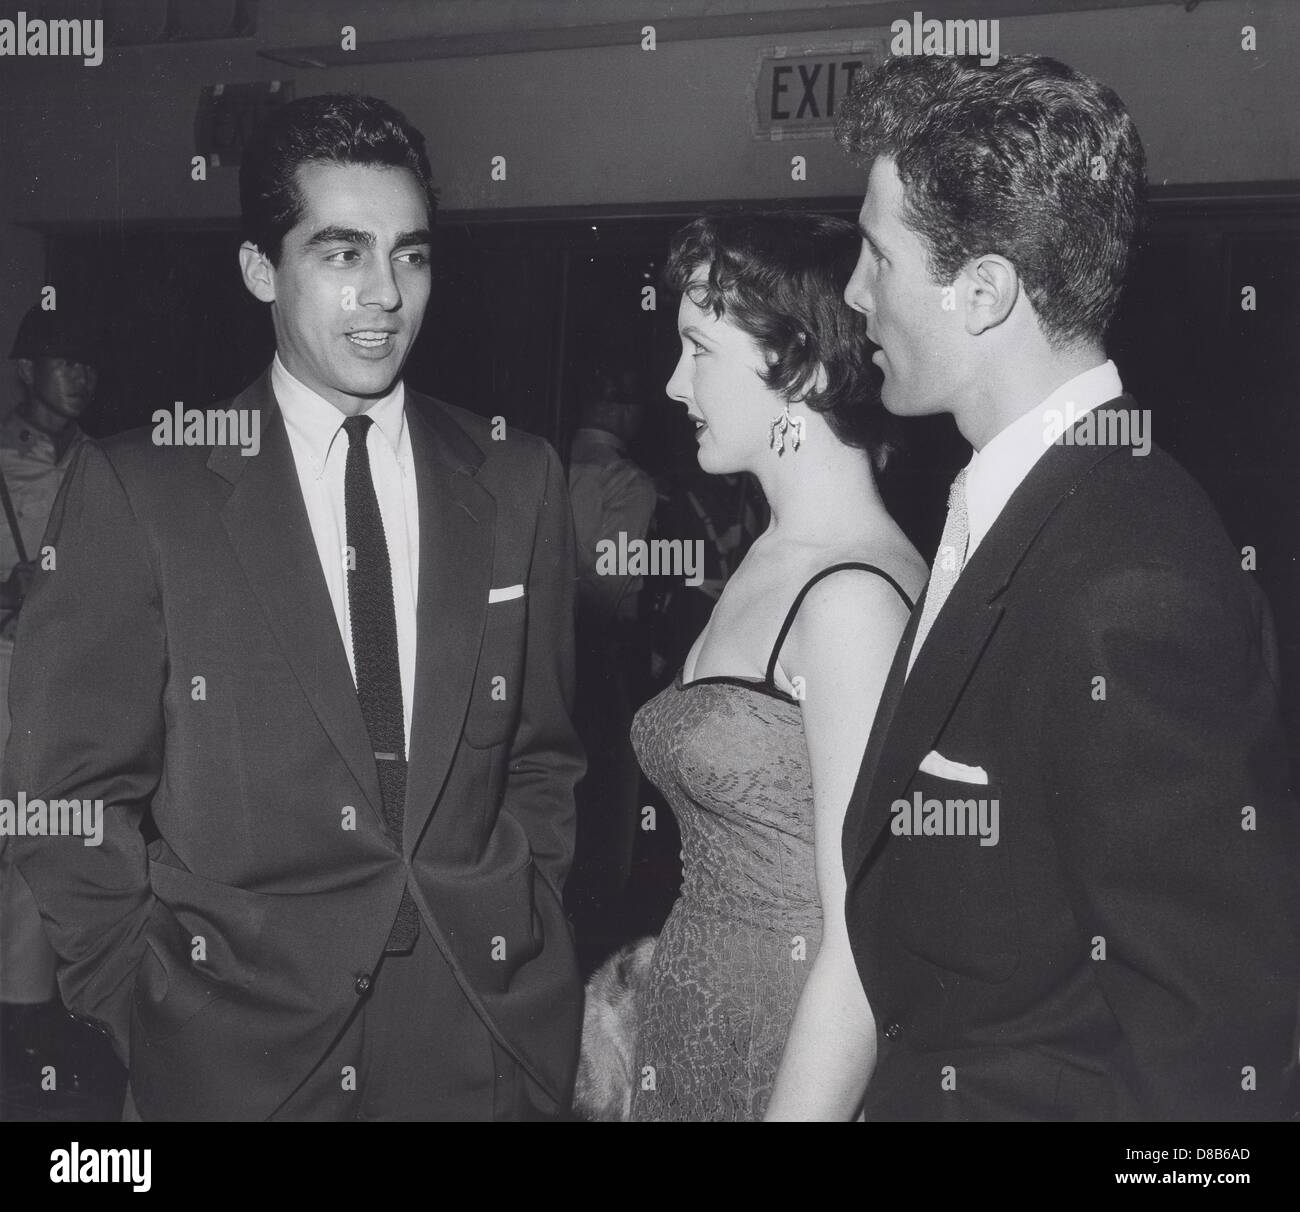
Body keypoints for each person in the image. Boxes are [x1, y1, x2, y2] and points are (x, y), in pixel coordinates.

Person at [4, 93, 584, 1121]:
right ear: (259, 270)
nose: (384, 297)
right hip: (236, 1051)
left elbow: (541, 756)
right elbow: (68, 794)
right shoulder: (144, 488)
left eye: (410, 255)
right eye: (341, 253)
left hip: (479, 1028)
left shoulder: (518, 476)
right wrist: (138, 1001)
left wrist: (522, 912)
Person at [836, 54, 1300, 1121]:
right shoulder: (1009, 507)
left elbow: (1227, 1066)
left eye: (874, 253)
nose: (854, 293)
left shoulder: (1130, 584)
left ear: (984, 290)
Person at [628, 211, 926, 1121]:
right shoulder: (774, 552)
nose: (675, 384)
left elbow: (864, 941)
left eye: (699, 350)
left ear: (802, 369)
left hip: (784, 1066)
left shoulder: (850, 601)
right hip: (693, 1038)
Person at [0, 304, 97, 1085]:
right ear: (26, 370)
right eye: (64, 361)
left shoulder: (99, 465)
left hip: (68, 680)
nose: (81, 377)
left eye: (90, 363)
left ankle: (29, 1014)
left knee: (48, 845)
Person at [566, 378, 657, 970]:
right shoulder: (629, 483)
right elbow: (611, 587)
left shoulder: (544, 455)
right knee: (607, 810)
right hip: (599, 658)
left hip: (539, 654)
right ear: (621, 406)